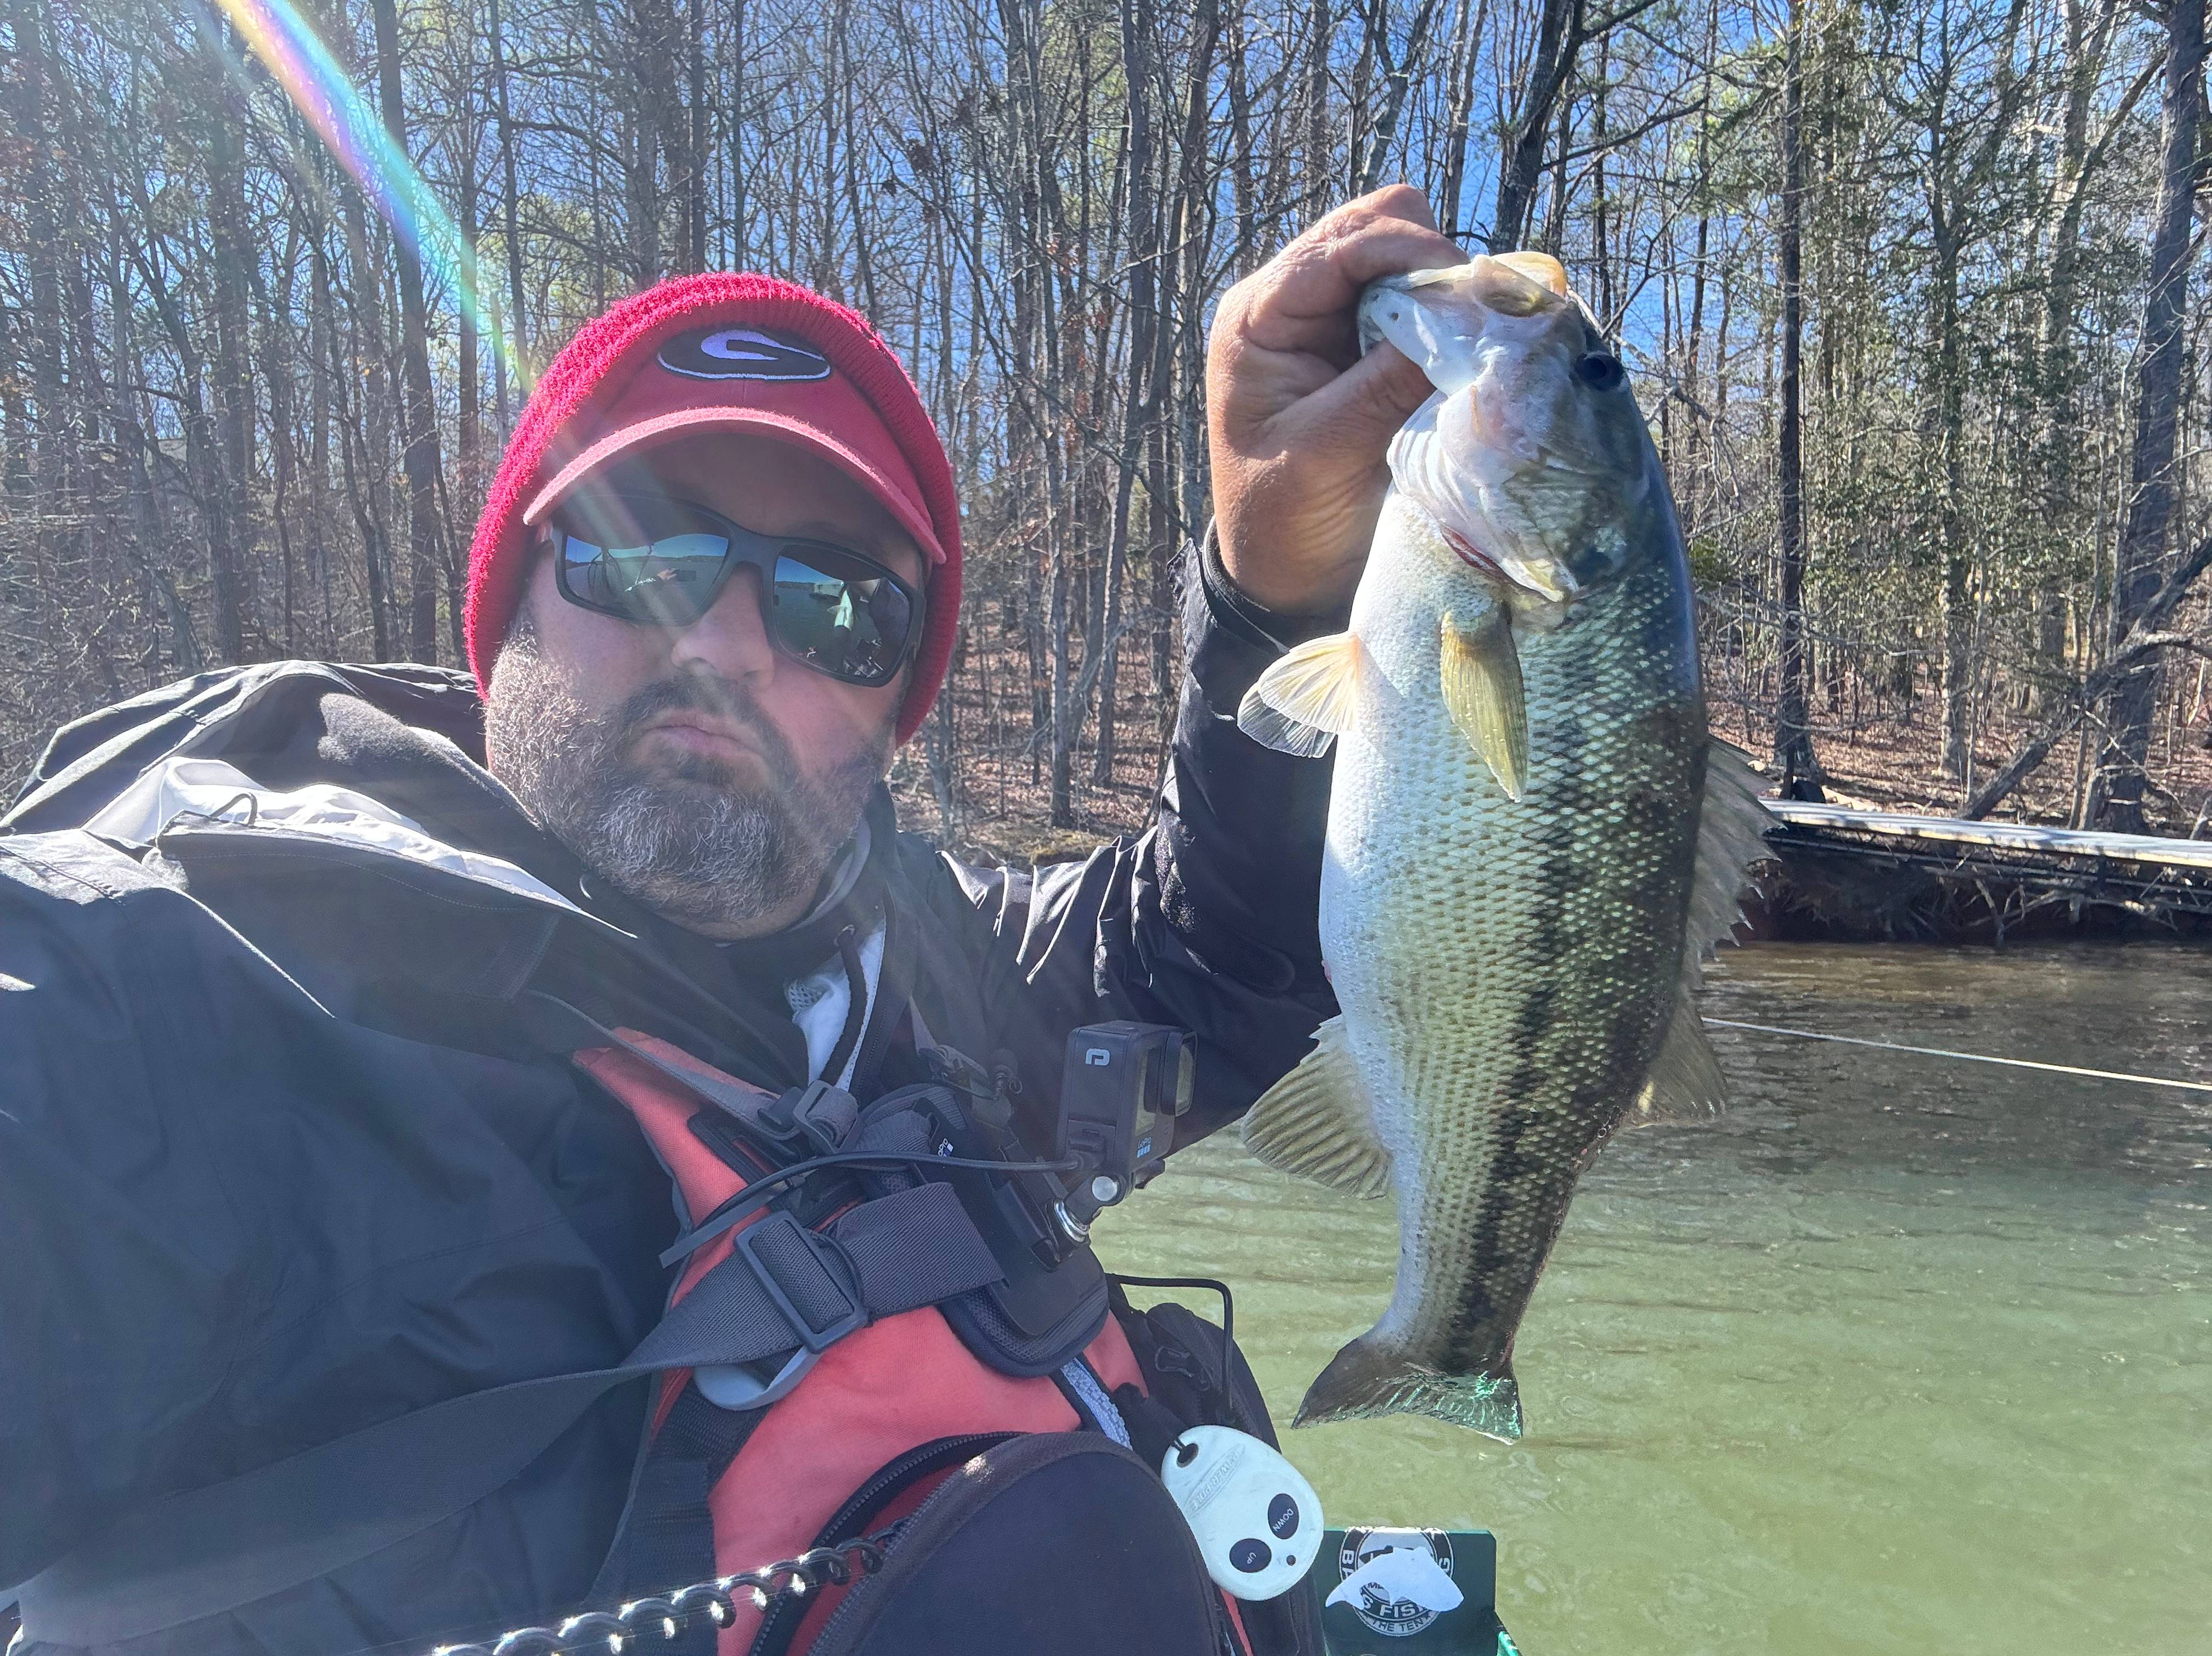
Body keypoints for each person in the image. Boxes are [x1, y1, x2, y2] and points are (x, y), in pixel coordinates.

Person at [0, 190, 1464, 1656]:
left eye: (839, 608)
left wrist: (1273, 591)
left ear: (900, 710)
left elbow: (1209, 949)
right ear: (508, 602)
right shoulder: (179, 991)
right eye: (642, 556)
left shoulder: (940, 977)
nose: (723, 648)